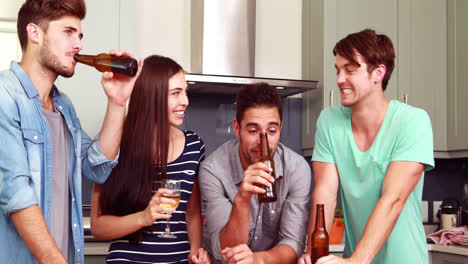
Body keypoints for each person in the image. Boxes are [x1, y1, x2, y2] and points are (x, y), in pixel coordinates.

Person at [0, 0, 142, 263]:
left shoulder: (64, 106)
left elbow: (97, 167)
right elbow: (17, 195)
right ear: (35, 33)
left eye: (79, 35)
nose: (79, 45)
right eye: (68, 32)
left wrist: (117, 102)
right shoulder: (4, 96)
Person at [298, 29, 434, 264]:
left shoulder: (412, 122)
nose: (340, 79)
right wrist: (313, 252)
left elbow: (393, 199)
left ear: (378, 73)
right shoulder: (329, 121)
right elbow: (325, 194)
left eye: (350, 70)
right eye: (338, 70)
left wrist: (356, 261)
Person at [91, 55, 210, 264]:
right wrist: (144, 217)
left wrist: (195, 252)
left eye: (185, 92)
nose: (185, 101)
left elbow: (191, 213)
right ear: (151, 96)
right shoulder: (114, 145)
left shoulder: (193, 146)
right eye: (176, 93)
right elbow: (98, 227)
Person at [199, 83, 312, 264]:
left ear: (281, 128)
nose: (263, 141)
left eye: (272, 131)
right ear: (237, 129)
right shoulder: (213, 170)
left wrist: (257, 260)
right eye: (253, 131)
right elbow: (223, 251)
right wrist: (242, 198)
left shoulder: (297, 169)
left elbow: (293, 243)